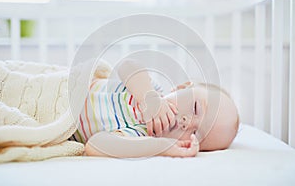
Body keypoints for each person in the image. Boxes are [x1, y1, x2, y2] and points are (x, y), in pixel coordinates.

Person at [70, 59, 239, 158]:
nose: (187, 123)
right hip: (65, 91)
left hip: (59, 121)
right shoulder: (150, 88)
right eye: (195, 108)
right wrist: (147, 97)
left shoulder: (140, 136)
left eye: (196, 135)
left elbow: (94, 145)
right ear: (181, 88)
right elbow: (127, 66)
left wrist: (161, 147)